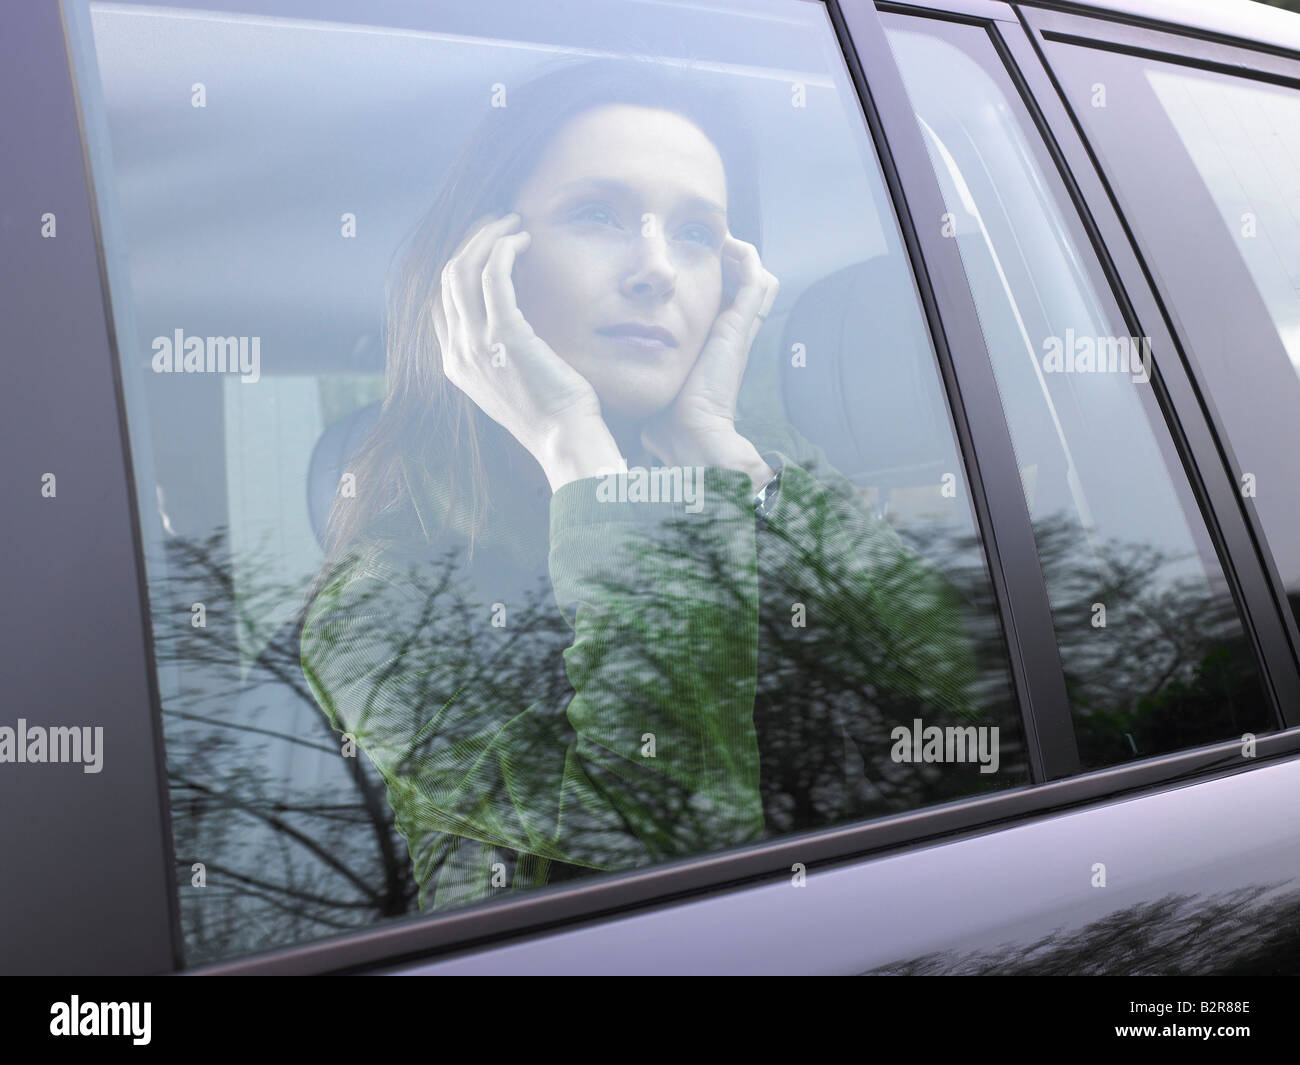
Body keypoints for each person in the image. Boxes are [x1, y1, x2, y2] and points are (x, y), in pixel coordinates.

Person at [301, 57, 985, 913]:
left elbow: (983, 731)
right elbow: (675, 870)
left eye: (696, 233)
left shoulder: (766, 479)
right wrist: (580, 455)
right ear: (480, 272)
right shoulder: (378, 607)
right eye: (597, 214)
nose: (658, 267)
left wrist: (729, 471)